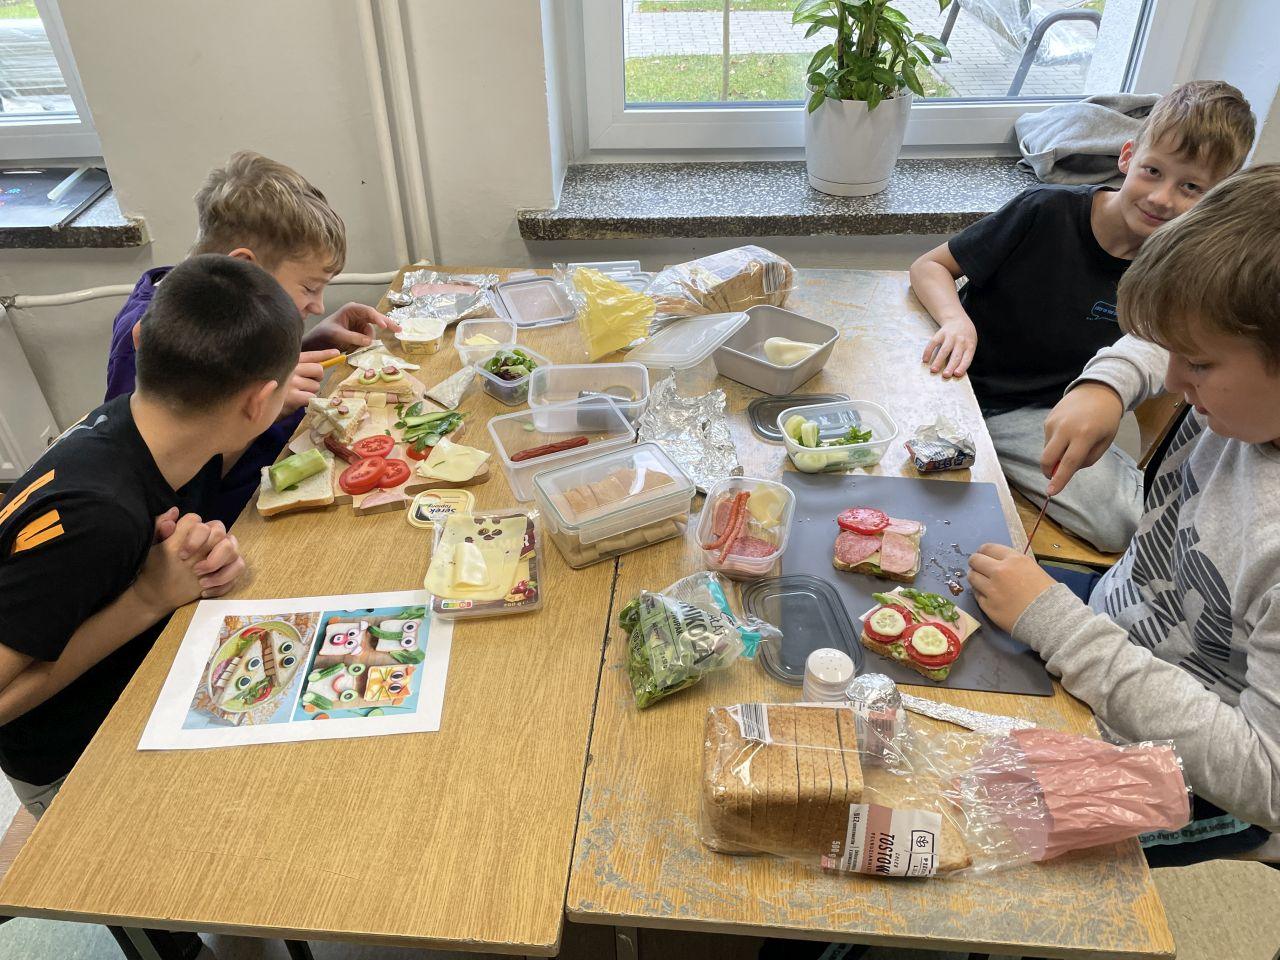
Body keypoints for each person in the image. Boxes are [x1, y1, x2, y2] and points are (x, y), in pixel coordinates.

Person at [968, 164, 1280, 865]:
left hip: (1199, 777)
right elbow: (1164, 338)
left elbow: (1266, 776)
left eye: (1197, 365)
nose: (1171, 380)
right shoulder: (1241, 393)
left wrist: (1058, 628)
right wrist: (1105, 385)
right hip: (1110, 630)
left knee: (973, 829)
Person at [0, 255, 300, 819]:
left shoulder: (139, 426)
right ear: (259, 403)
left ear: (139, 340)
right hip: (74, 765)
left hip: (134, 692)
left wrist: (179, 564)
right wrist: (147, 597)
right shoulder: (99, 517)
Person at [910, 81, 1255, 552]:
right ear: (1128, 156)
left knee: (1121, 523)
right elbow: (929, 267)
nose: (1162, 198)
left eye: (1190, 187)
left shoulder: (1179, 274)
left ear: (1215, 200)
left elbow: (1161, 353)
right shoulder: (1044, 209)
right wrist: (955, 320)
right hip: (949, 384)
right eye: (1153, 171)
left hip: (1033, 416)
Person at [104, 151, 398, 527]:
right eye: (310, 288)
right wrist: (269, 409)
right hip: (235, 521)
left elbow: (231, 371)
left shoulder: (217, 303)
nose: (318, 305)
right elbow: (159, 489)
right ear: (245, 267)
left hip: (283, 469)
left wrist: (306, 345)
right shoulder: (156, 339)